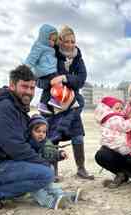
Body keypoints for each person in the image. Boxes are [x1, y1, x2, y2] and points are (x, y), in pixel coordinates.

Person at [0, 65, 54, 209]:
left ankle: (15, 191)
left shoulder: (17, 107)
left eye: (32, 88)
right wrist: (43, 163)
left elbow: (26, 138)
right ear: (12, 86)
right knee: (46, 174)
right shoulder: (3, 108)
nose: (29, 92)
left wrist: (48, 148)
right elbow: (16, 147)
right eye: (24, 87)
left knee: (41, 167)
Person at [36, 25, 93, 180]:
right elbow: (39, 80)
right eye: (66, 41)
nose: (69, 44)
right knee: (52, 136)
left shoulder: (78, 59)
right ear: (59, 40)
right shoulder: (50, 55)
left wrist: (64, 78)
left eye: (72, 41)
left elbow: (81, 80)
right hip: (50, 104)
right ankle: (52, 172)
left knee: (78, 135)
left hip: (71, 104)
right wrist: (52, 82)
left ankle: (81, 169)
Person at [27, 114, 81, 209]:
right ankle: (51, 202)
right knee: (38, 191)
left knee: (52, 187)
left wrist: (59, 154)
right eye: (38, 131)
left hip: (43, 173)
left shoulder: (45, 143)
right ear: (30, 131)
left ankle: (66, 197)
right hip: (31, 176)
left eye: (44, 132)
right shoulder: (27, 144)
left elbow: (51, 153)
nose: (41, 134)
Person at [24, 24, 77, 114]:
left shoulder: (50, 48)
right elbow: (31, 58)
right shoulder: (39, 46)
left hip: (48, 70)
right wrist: (25, 68)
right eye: (51, 40)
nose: (52, 42)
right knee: (58, 82)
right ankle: (55, 100)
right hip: (47, 71)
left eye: (54, 40)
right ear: (44, 37)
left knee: (48, 89)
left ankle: (43, 104)